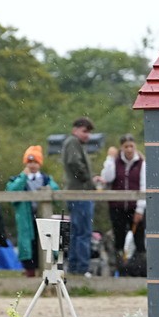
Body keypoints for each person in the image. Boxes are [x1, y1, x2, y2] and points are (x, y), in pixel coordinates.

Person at [5, 145, 59, 277]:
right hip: (26, 218)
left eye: (35, 162)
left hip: (42, 216)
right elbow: (11, 191)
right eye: (30, 162)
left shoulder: (46, 179)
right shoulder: (18, 179)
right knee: (27, 244)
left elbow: (55, 191)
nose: (32, 165)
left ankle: (46, 271)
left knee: (44, 243)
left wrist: (48, 188)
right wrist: (23, 177)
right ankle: (29, 271)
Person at [101, 134, 146, 273]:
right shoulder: (115, 162)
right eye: (126, 146)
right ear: (122, 147)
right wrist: (109, 158)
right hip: (117, 207)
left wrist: (140, 209)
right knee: (119, 239)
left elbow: (144, 185)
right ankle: (120, 269)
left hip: (134, 207)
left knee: (139, 239)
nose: (129, 149)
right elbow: (107, 177)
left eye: (131, 146)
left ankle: (141, 269)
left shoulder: (141, 163)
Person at [61, 116, 96, 277]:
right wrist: (87, 180)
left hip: (78, 192)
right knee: (83, 231)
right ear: (75, 130)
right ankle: (81, 268)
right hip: (79, 193)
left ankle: (76, 267)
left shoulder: (76, 144)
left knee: (77, 231)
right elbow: (75, 163)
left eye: (88, 132)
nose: (86, 135)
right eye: (84, 131)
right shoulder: (73, 142)